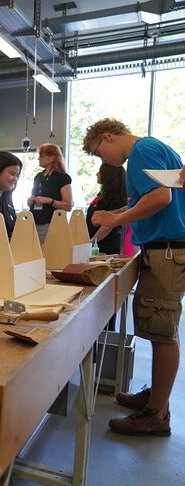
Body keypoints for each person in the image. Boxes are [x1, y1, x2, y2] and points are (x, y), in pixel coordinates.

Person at [83, 118, 185, 436]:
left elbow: (160, 199)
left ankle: (157, 413)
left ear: (109, 137)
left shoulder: (142, 149)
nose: (105, 161)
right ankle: (157, 397)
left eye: (101, 153)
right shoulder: (152, 149)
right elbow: (147, 200)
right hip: (165, 248)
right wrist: (103, 230)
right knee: (160, 328)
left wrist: (116, 219)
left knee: (161, 331)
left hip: (167, 250)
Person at [28, 143, 73, 244]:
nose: (38, 159)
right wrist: (30, 200)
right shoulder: (38, 177)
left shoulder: (62, 178)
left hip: (51, 223)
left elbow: (68, 205)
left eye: (41, 156)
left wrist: (49, 201)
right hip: (34, 221)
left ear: (51, 158)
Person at [86, 163, 127, 255]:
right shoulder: (102, 194)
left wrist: (92, 241)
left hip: (104, 243)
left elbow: (109, 223)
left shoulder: (115, 198)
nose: (96, 174)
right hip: (95, 241)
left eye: (100, 172)